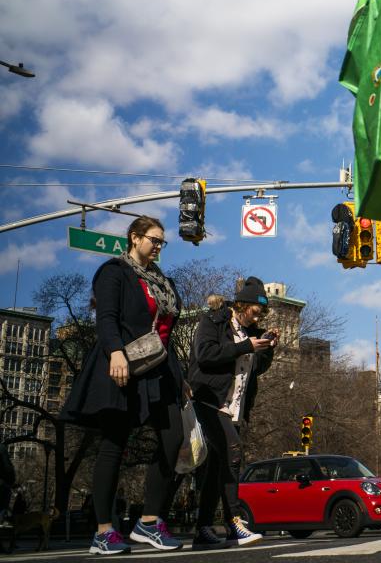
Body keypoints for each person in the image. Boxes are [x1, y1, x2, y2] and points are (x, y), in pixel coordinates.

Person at [60, 216, 185, 555]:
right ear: (134, 237)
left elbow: (168, 331)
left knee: (173, 440)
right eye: (153, 240)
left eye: (162, 242)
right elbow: (107, 317)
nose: (158, 246)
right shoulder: (115, 272)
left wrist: (181, 378)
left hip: (161, 369)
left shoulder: (164, 281)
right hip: (124, 364)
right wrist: (115, 351)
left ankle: (148, 521)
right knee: (114, 443)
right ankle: (103, 532)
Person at [188, 277, 278, 550]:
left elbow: (255, 371)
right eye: (255, 310)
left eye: (262, 312)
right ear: (242, 304)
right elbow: (205, 355)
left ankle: (203, 529)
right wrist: (246, 346)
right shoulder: (213, 322)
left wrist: (267, 349)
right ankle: (233, 522)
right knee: (233, 451)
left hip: (234, 409)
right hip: (209, 402)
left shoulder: (252, 333)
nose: (259, 315)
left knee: (217, 468)